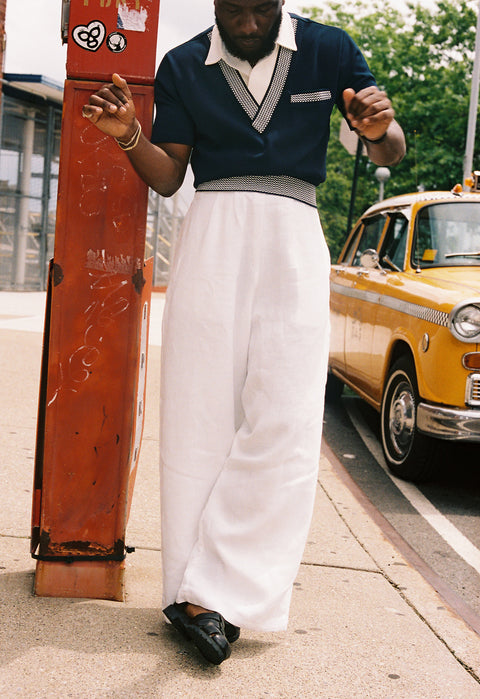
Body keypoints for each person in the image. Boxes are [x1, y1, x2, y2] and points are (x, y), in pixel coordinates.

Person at [82, 0, 406, 665]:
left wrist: (381, 128)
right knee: (201, 414)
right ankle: (196, 597)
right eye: (236, 7)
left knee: (284, 423)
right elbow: (171, 173)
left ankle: (225, 584)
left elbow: (387, 148)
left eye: (261, 6)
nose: (248, 18)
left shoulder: (329, 49)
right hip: (212, 236)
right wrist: (127, 135)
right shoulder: (181, 65)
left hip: (294, 236)